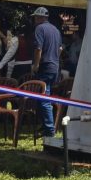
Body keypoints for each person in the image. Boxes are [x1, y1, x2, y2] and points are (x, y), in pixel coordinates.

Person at [31, 7, 62, 138]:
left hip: (45, 66)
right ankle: (45, 127)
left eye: (35, 17)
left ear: (38, 17)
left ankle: (49, 130)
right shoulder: (55, 30)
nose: (34, 20)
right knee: (43, 97)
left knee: (44, 99)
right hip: (54, 66)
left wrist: (36, 65)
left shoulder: (39, 28)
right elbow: (60, 49)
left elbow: (38, 49)